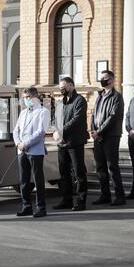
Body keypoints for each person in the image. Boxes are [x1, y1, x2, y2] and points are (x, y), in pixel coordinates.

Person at [52, 77, 89, 211]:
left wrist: (61, 132)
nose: (62, 89)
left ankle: (81, 201)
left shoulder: (80, 100)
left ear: (72, 86)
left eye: (64, 86)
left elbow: (76, 120)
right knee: (63, 173)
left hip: (75, 142)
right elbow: (55, 120)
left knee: (79, 172)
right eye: (60, 87)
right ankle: (66, 200)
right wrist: (57, 133)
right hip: (62, 143)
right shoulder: (61, 102)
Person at [13, 87, 50, 218]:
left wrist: (25, 143)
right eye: (24, 98)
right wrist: (18, 143)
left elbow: (40, 132)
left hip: (35, 150)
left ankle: (41, 207)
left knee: (38, 179)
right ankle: (26, 206)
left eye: (28, 97)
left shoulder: (43, 112)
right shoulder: (23, 113)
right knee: (24, 180)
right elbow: (16, 130)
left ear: (35, 96)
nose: (26, 100)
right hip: (21, 150)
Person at [90, 71, 126, 206]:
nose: (101, 80)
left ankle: (119, 196)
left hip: (110, 136)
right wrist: (93, 130)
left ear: (111, 80)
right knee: (100, 167)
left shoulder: (117, 97)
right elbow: (94, 114)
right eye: (101, 78)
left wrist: (99, 131)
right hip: (97, 136)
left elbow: (113, 116)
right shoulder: (100, 96)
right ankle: (105, 195)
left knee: (112, 166)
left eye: (104, 78)